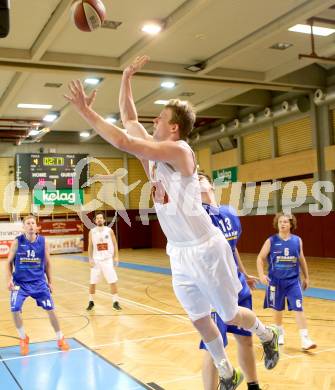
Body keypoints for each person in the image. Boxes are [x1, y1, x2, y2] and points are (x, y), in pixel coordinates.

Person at [64, 56, 279, 390]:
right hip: (179, 252)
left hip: (206, 248)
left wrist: (85, 111)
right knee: (199, 319)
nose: (154, 120)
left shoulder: (180, 152)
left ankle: (267, 333)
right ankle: (226, 372)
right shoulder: (152, 156)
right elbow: (128, 119)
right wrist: (125, 77)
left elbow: (124, 140)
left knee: (229, 315)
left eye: (161, 118)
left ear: (174, 127)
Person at [198, 172, 261, 390]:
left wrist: (245, 274)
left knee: (246, 339)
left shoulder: (229, 212)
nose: (197, 182)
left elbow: (232, 249)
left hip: (238, 284)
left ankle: (254, 385)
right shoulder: (196, 217)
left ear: (211, 185)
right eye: (192, 180)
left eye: (200, 178)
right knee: (214, 345)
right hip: (214, 288)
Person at [6, 215, 69, 355]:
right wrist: (9, 279)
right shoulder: (17, 242)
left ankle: (60, 337)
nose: (30, 225)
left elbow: (47, 263)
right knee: (15, 309)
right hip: (20, 283)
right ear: (23, 227)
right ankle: (23, 338)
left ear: (36, 226)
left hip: (39, 283)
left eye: (33, 223)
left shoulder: (43, 242)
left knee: (51, 310)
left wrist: (50, 282)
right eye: (27, 223)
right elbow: (8, 262)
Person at [257, 212, 316, 350]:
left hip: (293, 282)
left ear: (291, 224)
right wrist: (261, 275)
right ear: (277, 224)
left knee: (298, 307)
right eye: (280, 222)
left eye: (285, 222)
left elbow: (301, 259)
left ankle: (305, 339)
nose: (282, 224)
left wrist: (306, 277)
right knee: (277, 308)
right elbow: (260, 258)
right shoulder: (271, 241)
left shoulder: (297, 240)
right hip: (275, 281)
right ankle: (279, 333)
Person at [86, 212, 121, 311]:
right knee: (92, 282)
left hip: (107, 260)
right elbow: (90, 246)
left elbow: (115, 244)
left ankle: (115, 302)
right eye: (97, 218)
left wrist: (116, 257)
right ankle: (91, 302)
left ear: (104, 220)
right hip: (96, 261)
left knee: (112, 281)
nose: (99, 220)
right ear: (95, 221)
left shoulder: (109, 230)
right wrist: (90, 259)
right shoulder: (92, 232)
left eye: (101, 218)